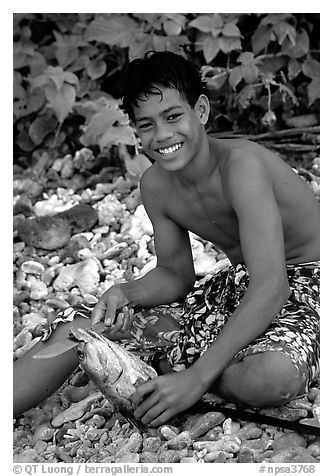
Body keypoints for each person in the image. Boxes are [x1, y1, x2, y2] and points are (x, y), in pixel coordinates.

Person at [13, 51, 320, 428]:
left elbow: (273, 285)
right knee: (77, 329)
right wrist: (127, 292)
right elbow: (175, 274)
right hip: (240, 286)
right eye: (146, 125)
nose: (162, 135)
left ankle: (176, 367)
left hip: (309, 288)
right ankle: (180, 362)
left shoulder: (242, 167)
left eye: (173, 116)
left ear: (201, 111)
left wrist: (195, 378)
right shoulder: (156, 185)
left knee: (271, 378)